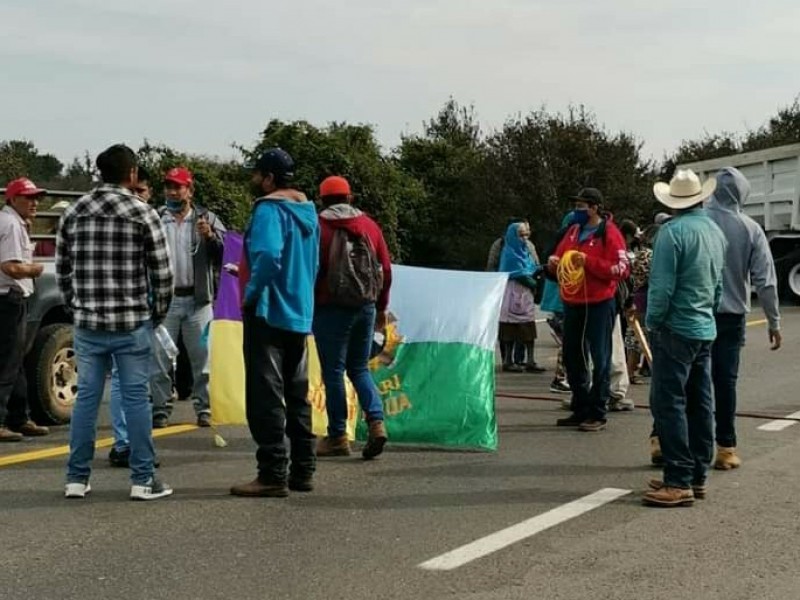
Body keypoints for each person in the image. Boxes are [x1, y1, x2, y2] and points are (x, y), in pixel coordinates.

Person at [57, 144, 174, 500]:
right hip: (132, 321)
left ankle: (76, 478)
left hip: (89, 323)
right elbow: (163, 274)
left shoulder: (75, 211)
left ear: (99, 173)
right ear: (133, 174)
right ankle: (142, 480)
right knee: (137, 398)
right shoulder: (143, 213)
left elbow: (64, 270)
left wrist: (76, 307)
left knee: (87, 399)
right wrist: (156, 315)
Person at [230, 148, 320, 498]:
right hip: (299, 310)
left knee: (265, 394)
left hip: (268, 309)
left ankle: (271, 472)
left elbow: (267, 255)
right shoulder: (308, 212)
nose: (255, 181)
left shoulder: (269, 209)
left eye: (258, 175)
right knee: (298, 392)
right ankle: (303, 469)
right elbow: (312, 264)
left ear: (269, 178)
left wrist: (252, 293)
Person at [642, 169, 726, 508]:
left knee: (668, 402)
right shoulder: (714, 231)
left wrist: (652, 321)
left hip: (676, 327)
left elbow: (661, 288)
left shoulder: (671, 232)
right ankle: (697, 473)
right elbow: (719, 285)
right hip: (704, 325)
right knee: (700, 400)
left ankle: (678, 478)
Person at [706, 167, 782, 470]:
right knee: (725, 383)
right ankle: (725, 447)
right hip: (731, 316)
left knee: (684, 380)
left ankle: (664, 439)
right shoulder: (750, 228)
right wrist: (773, 321)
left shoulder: (696, 222)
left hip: (695, 312)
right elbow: (766, 280)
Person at [313, 175, 392, 459]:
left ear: (321, 200)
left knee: (333, 371)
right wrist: (381, 307)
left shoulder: (318, 227)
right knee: (358, 368)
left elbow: (311, 269)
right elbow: (385, 269)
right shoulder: (369, 226)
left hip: (330, 308)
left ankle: (337, 436)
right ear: (350, 197)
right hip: (366, 306)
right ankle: (376, 420)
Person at [150, 166, 226, 429]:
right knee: (159, 359)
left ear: (189, 190)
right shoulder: (156, 218)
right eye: (168, 186)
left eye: (178, 186)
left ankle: (204, 407)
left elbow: (228, 254)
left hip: (198, 301)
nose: (172, 191)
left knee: (203, 358)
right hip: (166, 301)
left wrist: (211, 237)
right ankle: (160, 409)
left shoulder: (207, 219)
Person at [548, 188, 628, 432]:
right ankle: (580, 406)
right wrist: (554, 263)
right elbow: (561, 259)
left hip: (600, 303)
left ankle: (597, 411)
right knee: (573, 355)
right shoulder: (572, 232)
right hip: (573, 302)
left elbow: (622, 269)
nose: (577, 211)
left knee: (600, 357)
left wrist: (589, 263)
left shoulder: (610, 233)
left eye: (582, 207)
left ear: (594, 208)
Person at [108, 168, 158, 467]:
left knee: (140, 382)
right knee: (125, 383)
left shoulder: (150, 218)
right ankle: (127, 445)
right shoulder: (129, 219)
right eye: (134, 191)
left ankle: (135, 446)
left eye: (142, 192)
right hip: (129, 313)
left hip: (145, 309)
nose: (137, 197)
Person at [0, 178, 50, 442]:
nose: (35, 203)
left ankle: (19, 417)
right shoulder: (10, 224)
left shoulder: (12, 222)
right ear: (13, 199)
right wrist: (35, 269)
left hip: (11, 298)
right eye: (29, 197)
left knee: (16, 360)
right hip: (9, 298)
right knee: (8, 362)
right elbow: (11, 267)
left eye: (36, 197)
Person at [487, 218, 540, 368]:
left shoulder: (526, 250)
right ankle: (508, 360)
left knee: (528, 326)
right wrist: (532, 282)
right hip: (510, 292)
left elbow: (533, 266)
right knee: (509, 328)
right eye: (521, 235)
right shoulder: (507, 251)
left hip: (525, 294)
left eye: (526, 234)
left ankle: (529, 360)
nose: (524, 238)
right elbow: (516, 272)